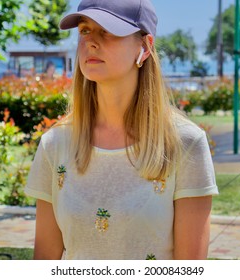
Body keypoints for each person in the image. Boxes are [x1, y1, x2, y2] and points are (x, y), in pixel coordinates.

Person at [24, 0, 218, 260]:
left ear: (145, 46)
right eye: (84, 30)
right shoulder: (55, 143)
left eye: (108, 31)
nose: (91, 42)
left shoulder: (185, 142)